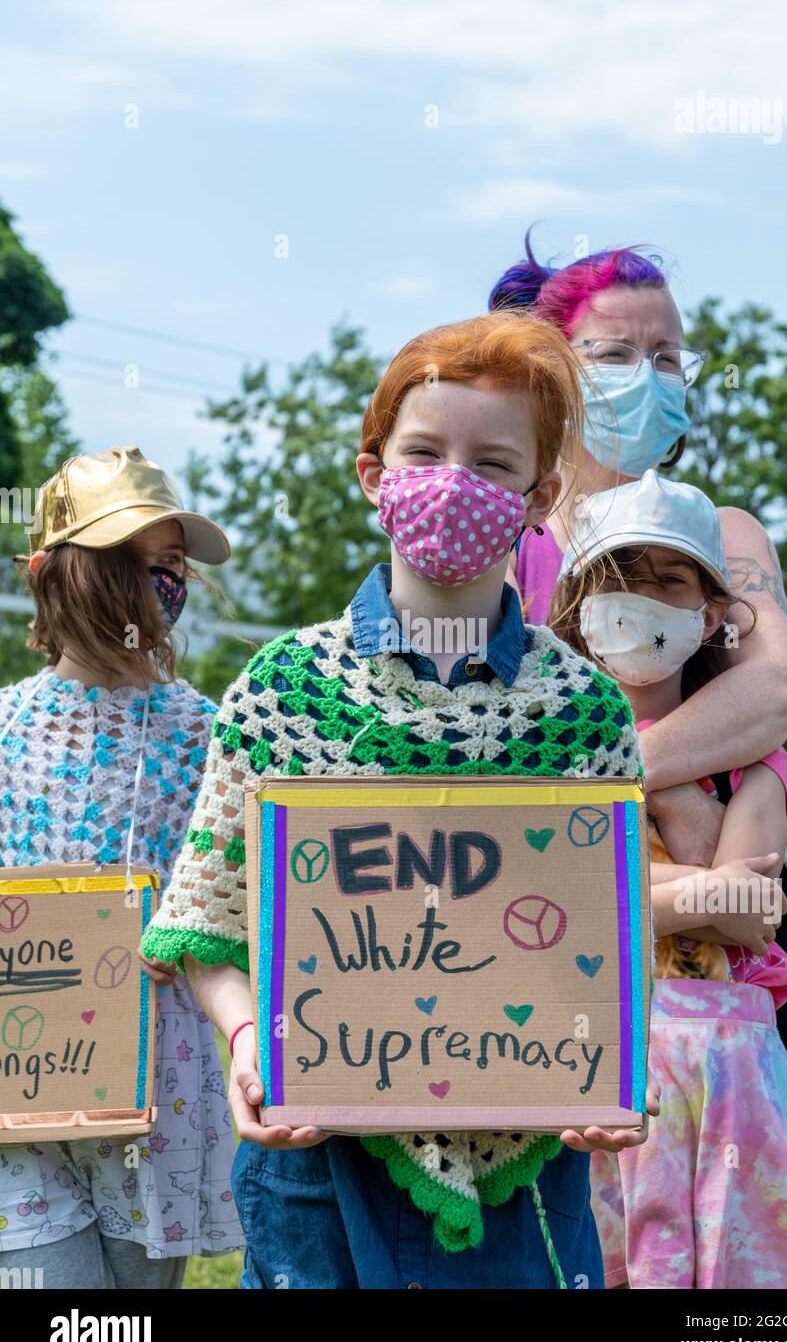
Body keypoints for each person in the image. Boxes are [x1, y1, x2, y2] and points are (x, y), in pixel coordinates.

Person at [140, 312, 659, 1290]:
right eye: (424, 451)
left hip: (526, 1169)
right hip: (317, 1162)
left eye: (490, 461)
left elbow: (609, 936)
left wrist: (611, 1069)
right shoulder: (284, 687)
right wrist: (251, 1037)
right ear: (374, 473)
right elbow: (206, 923)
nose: (451, 478)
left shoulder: (582, 711)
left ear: (538, 497)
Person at [489, 238, 787, 1236]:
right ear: (550, 363)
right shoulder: (499, 549)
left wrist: (569, 803)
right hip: (542, 968)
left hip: (716, 981)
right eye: (614, 354)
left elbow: (771, 691)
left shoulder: (724, 534)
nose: (646, 380)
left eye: (666, 357)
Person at [549, 470, 787, 1288]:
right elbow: (541, 904)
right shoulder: (543, 743)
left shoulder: (757, 759)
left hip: (730, 1079)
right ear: (575, 608)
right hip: (590, 1074)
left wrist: (657, 793)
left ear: (712, 613)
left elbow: (752, 914)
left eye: (668, 580)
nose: (640, 598)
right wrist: (697, 890)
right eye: (617, 581)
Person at [0, 446, 244, 1288]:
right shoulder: (3, 728)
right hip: (18, 1076)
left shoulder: (209, 735)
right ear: (49, 573)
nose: (154, 585)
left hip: (156, 1089)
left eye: (169, 564)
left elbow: (229, 906)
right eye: (126, 562)